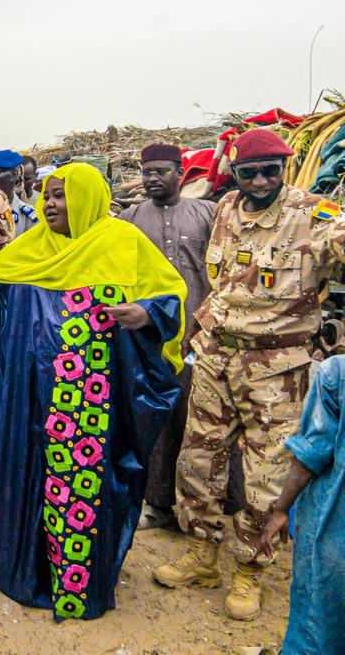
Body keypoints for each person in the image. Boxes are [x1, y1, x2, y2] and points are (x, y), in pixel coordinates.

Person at [0, 163, 185, 621]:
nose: (50, 204)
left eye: (61, 195)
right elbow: (0, 301)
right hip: (28, 398)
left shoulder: (124, 244)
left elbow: (169, 298)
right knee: (25, 475)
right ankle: (22, 573)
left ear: (89, 197)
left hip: (92, 405)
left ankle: (80, 584)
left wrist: (146, 314)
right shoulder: (27, 250)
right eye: (46, 196)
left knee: (86, 491)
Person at [153, 128, 345, 621]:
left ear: (284, 169)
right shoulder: (225, 209)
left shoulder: (313, 215)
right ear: (235, 172)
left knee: (266, 476)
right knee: (198, 461)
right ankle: (202, 553)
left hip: (277, 371)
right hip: (216, 358)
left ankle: (251, 570)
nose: (261, 180)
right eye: (249, 171)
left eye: (271, 170)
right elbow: (222, 282)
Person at [118, 143, 245, 530]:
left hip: (204, 336)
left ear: (180, 173)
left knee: (212, 421)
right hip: (150, 337)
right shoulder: (129, 218)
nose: (152, 178)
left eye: (161, 171)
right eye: (147, 172)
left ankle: (228, 505)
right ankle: (158, 503)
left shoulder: (207, 213)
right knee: (157, 418)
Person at [258, 356, 345, 654]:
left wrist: (281, 509)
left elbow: (312, 452)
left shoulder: (336, 373)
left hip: (332, 535)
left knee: (316, 626)